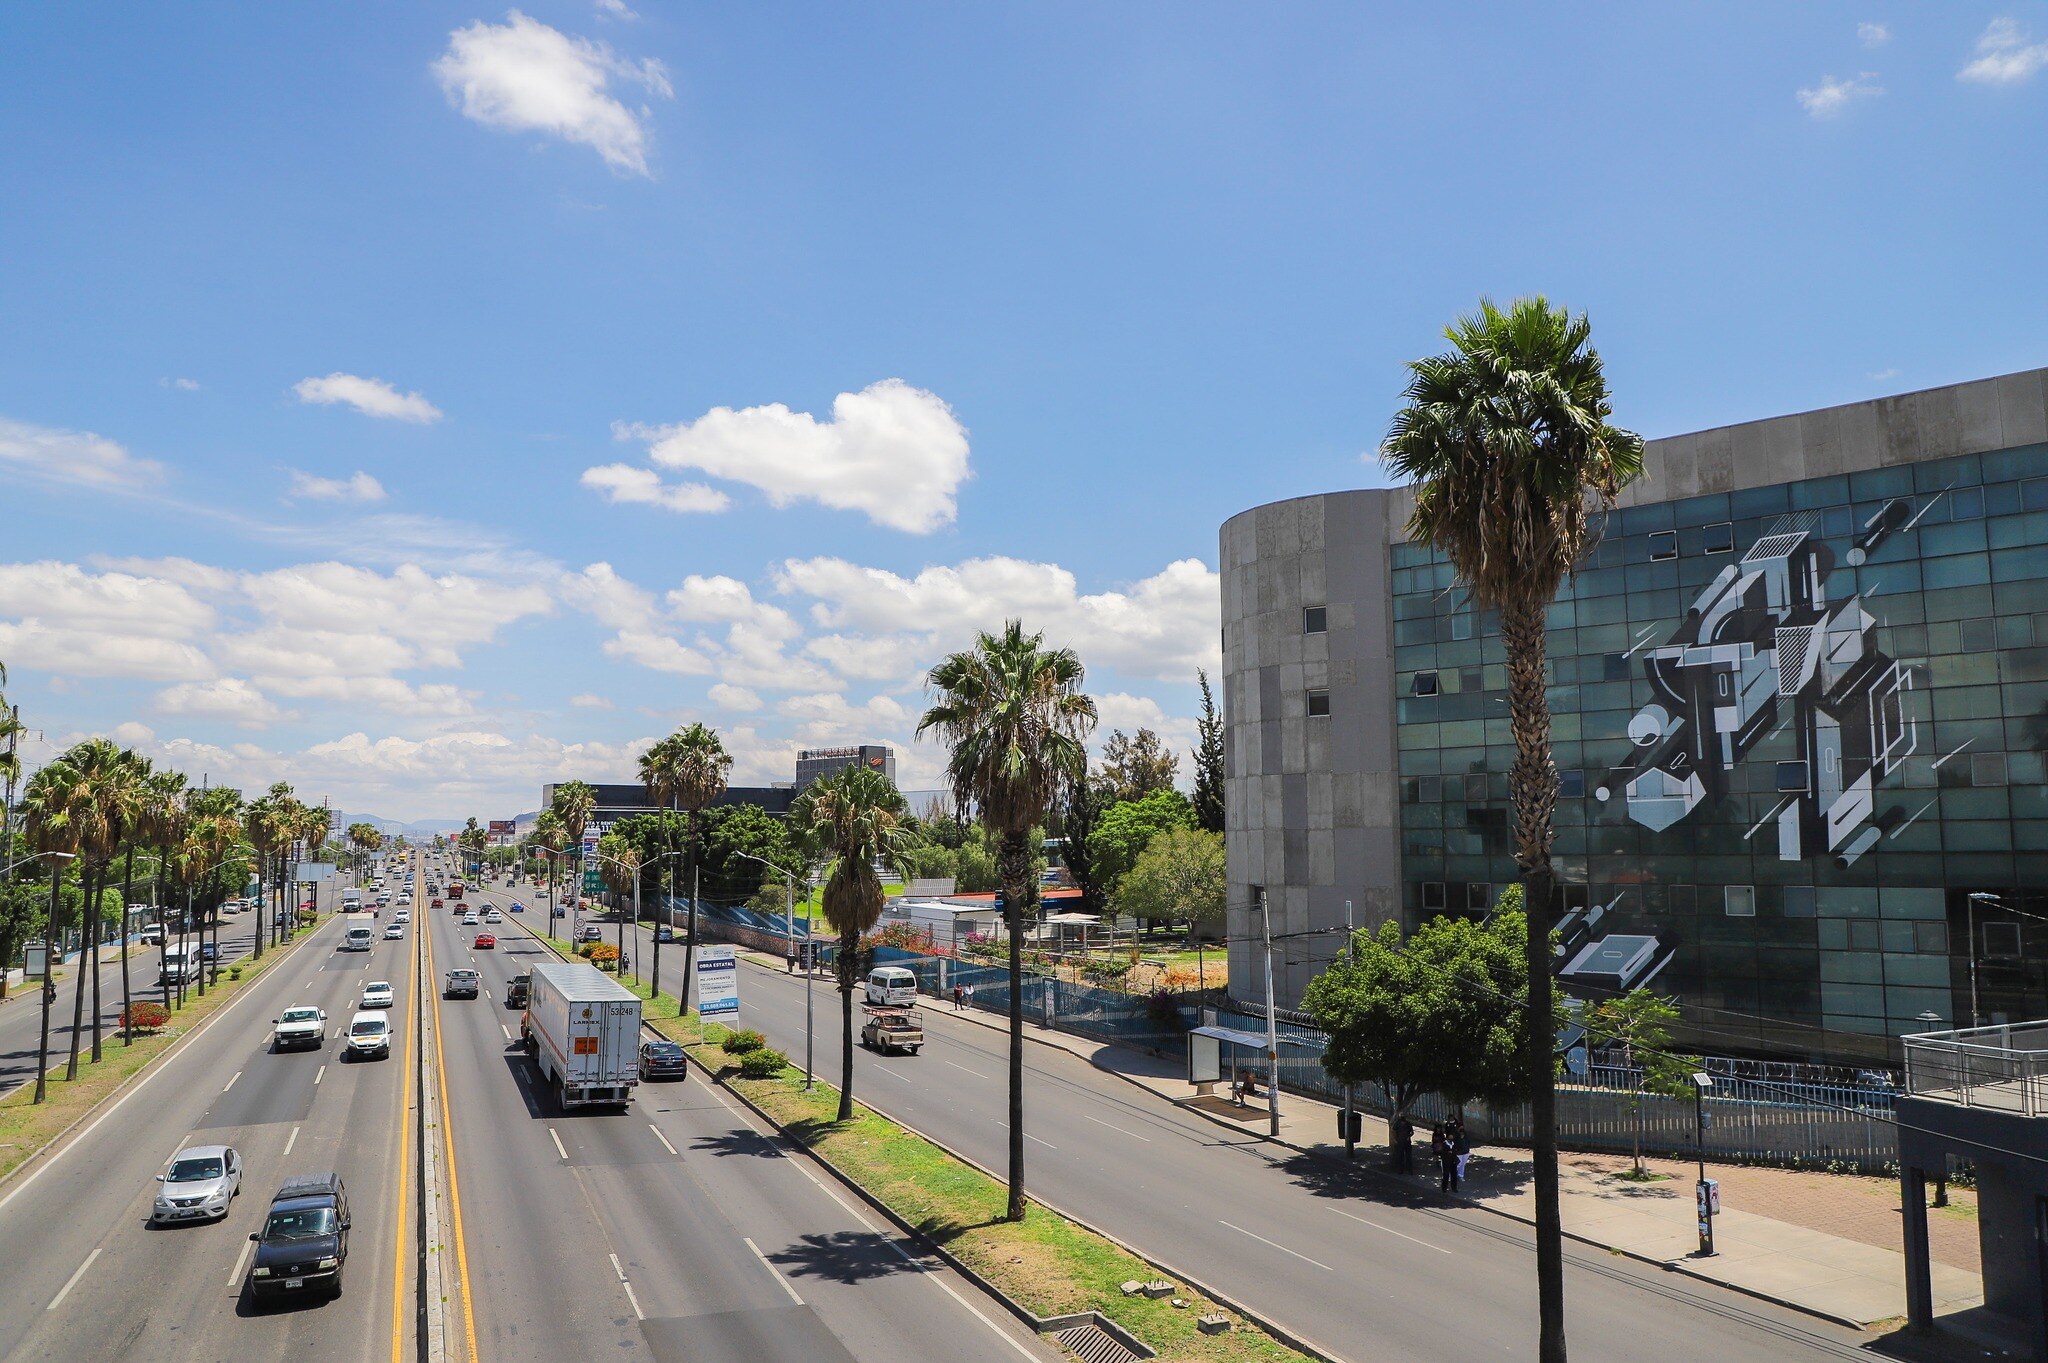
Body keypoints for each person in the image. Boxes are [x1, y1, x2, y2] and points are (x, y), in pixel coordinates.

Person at [1432, 1124, 1455, 1193]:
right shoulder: (1445, 1144)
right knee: (1446, 1175)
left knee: (1453, 1174)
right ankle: (1444, 1188)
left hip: (1452, 1160)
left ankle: (1454, 1188)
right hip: (1445, 1160)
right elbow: (1443, 1151)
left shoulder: (1453, 1143)